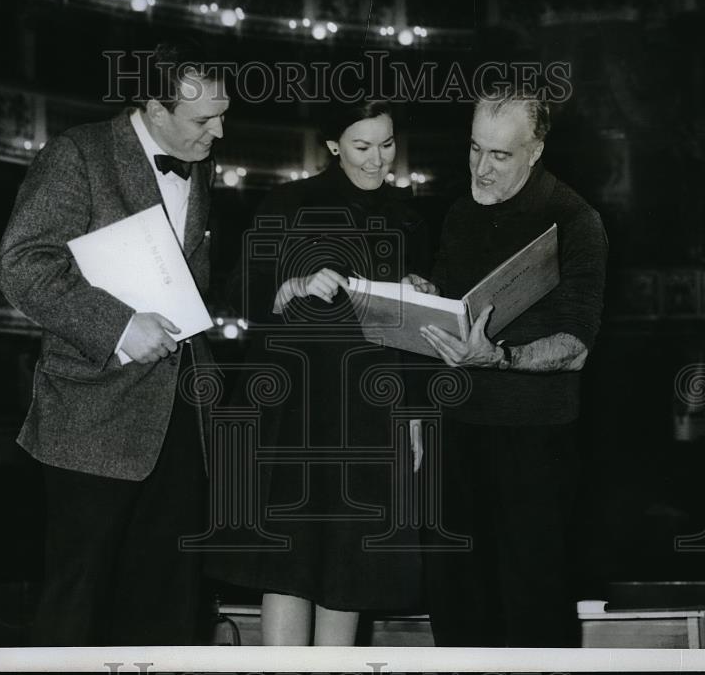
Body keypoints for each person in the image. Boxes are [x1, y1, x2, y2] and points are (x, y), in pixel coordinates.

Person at [0, 40, 229, 646]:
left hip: (180, 421)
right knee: (79, 603)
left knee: (170, 599)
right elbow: (22, 265)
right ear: (155, 109)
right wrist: (121, 326)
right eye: (204, 119)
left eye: (222, 114)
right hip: (91, 419)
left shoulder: (201, 162)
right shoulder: (78, 154)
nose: (220, 131)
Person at [205, 99, 432, 645]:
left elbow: (422, 338)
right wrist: (291, 285)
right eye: (362, 146)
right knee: (290, 562)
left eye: (387, 144)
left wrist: (416, 412)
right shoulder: (289, 201)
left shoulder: (410, 216)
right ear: (333, 145)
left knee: (349, 568)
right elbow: (240, 291)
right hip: (295, 414)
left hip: (370, 415)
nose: (379, 160)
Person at [418, 88, 607, 647]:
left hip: (535, 440)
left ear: (535, 150)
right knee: (454, 599)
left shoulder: (576, 219)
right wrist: (422, 295)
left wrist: (499, 358)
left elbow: (576, 345)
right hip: (457, 432)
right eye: (475, 149)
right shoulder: (458, 212)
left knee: (534, 602)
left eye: (500, 156)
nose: (482, 168)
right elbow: (457, 308)